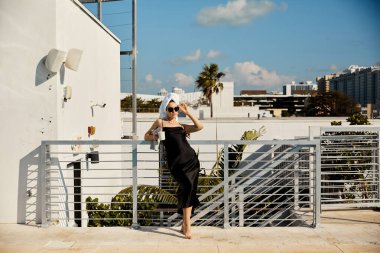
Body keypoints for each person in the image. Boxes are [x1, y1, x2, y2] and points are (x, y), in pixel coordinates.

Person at [144, 93, 203, 239]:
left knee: (188, 189)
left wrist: (187, 112)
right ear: (165, 109)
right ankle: (186, 224)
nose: (174, 112)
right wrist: (155, 137)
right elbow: (146, 136)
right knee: (187, 188)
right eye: (170, 109)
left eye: (176, 109)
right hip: (176, 163)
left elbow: (199, 126)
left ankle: (186, 225)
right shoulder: (160, 122)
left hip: (191, 161)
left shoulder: (181, 126)